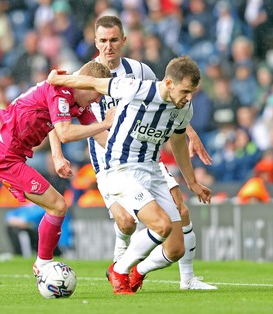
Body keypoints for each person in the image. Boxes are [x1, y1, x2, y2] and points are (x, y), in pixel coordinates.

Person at [49, 15, 216, 291]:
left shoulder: (140, 73)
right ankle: (120, 261)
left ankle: (184, 278)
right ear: (95, 42)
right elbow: (56, 114)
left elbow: (169, 102)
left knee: (180, 213)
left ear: (124, 41)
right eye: (103, 41)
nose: (109, 46)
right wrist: (58, 153)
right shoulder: (86, 76)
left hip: (148, 157)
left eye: (114, 40)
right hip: (113, 160)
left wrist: (189, 132)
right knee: (127, 223)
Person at [0, 61, 115, 276]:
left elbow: (95, 136)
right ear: (85, 84)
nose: (99, 99)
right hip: (7, 153)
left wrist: (125, 155)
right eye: (97, 92)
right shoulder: (61, 93)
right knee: (57, 205)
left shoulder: (75, 98)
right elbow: (65, 132)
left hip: (4, 144)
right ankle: (43, 263)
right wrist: (104, 123)